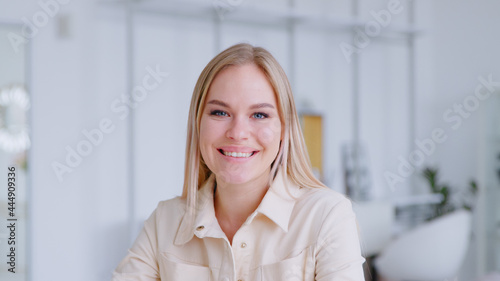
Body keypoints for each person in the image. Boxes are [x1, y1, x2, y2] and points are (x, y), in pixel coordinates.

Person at [112, 43, 365, 281]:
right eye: (220, 112)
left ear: (284, 129)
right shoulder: (165, 221)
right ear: (198, 123)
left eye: (259, 114)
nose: (238, 132)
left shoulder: (327, 216)